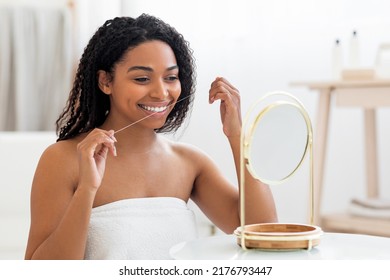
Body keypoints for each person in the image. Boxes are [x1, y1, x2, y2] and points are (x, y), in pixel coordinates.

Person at [25, 14, 277, 260]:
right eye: (142, 78)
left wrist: (238, 137)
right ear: (105, 82)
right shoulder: (63, 159)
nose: (161, 92)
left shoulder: (190, 163)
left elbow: (264, 236)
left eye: (171, 77)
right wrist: (87, 189)